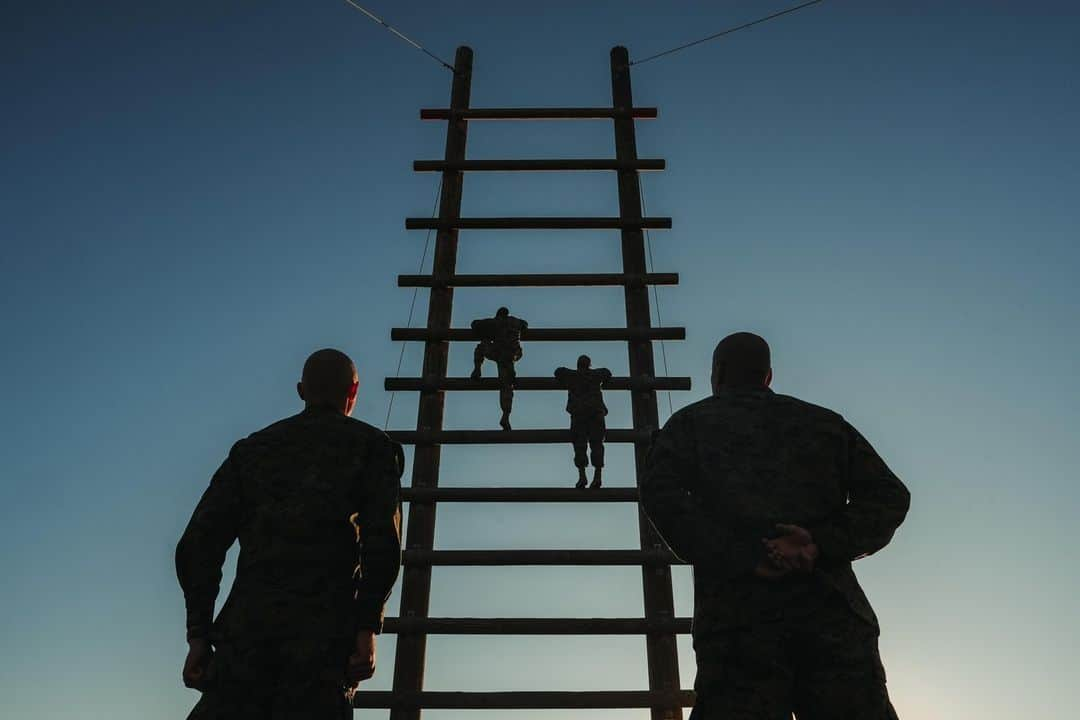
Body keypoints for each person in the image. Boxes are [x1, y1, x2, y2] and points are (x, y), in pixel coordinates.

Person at [642, 332, 910, 720]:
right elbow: (889, 496)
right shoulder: (824, 424)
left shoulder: (689, 426)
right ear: (767, 376)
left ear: (717, 373)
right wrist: (818, 544)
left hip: (738, 629)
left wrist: (745, 555)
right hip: (832, 622)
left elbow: (659, 495)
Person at [176, 348, 403, 719]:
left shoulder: (252, 451)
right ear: (354, 391)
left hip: (244, 642)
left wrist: (198, 634)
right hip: (322, 646)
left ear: (301, 390)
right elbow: (382, 543)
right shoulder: (371, 448)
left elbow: (198, 544)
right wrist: (367, 628)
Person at [554, 355, 612, 488]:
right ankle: (597, 476)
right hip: (596, 415)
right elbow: (607, 373)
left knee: (579, 446)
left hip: (578, 415)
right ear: (589, 364)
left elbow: (558, 372)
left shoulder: (572, 376)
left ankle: (582, 476)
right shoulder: (596, 374)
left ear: (578, 365)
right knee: (597, 444)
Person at [470, 306, 528, 430]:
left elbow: (475, 324)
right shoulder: (515, 321)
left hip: (499, 353)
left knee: (481, 347)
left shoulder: (494, 322)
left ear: (498, 315)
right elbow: (525, 324)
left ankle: (477, 369)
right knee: (507, 386)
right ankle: (506, 415)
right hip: (513, 355)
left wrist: (488, 333)